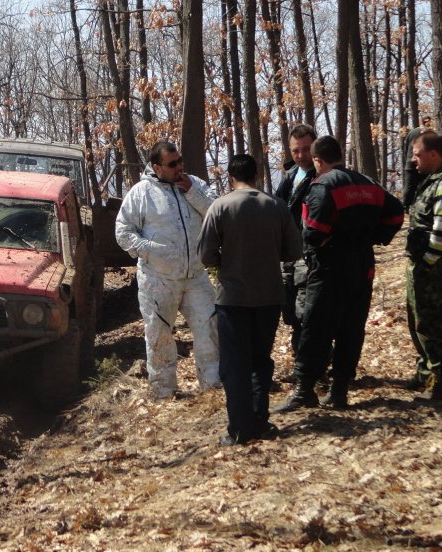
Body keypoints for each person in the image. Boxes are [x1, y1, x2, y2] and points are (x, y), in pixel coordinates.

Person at [278, 135, 404, 412]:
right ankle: (339, 390)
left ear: (318, 160)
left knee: (315, 327)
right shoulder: (368, 183)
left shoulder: (323, 184)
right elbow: (396, 213)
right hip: (362, 267)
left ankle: (304, 390)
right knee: (351, 328)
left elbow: (312, 231)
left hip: (329, 268)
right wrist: (378, 236)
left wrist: (321, 241)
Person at [197, 154, 302, 445]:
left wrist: (224, 260)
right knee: (259, 361)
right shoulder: (276, 206)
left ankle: (240, 429)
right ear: (257, 175)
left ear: (231, 176)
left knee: (234, 365)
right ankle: (259, 421)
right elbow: (294, 251)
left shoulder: (221, 206)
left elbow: (205, 255)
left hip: (233, 298)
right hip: (269, 296)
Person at [115, 141, 220, 399]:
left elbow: (216, 213)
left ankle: (213, 386)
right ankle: (164, 390)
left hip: (196, 275)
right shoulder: (141, 193)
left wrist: (192, 191)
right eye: (172, 164)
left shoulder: (195, 185)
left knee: (210, 327)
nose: (179, 167)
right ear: (156, 167)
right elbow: (122, 231)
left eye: (180, 161)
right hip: (158, 279)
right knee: (159, 334)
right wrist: (149, 249)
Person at [406, 130, 442, 402]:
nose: (413, 160)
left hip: (433, 268)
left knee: (433, 321)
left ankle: (440, 379)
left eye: (417, 155)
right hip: (423, 266)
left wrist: (427, 263)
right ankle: (426, 372)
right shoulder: (429, 183)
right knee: (419, 321)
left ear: (432, 154)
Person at [274, 123, 317, 356]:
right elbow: (277, 210)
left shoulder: (324, 176)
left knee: (307, 314)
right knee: (290, 313)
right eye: (295, 150)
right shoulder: (288, 176)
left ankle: (310, 366)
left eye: (306, 149)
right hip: (287, 256)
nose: (301, 155)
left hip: (311, 257)